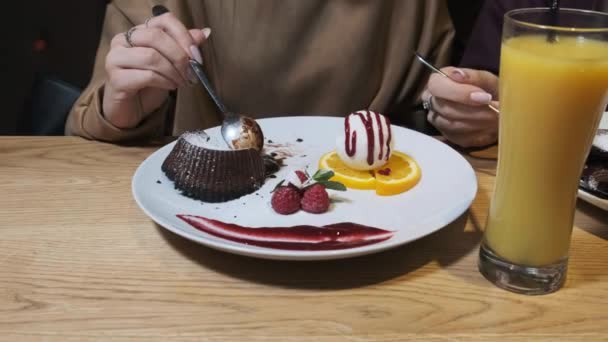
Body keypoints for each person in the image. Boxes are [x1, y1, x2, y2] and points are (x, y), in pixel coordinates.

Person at [66, 0, 498, 147]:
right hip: (194, 219)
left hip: (364, 224)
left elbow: (428, 102)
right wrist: (123, 108)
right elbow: (88, 130)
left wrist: (454, 109)